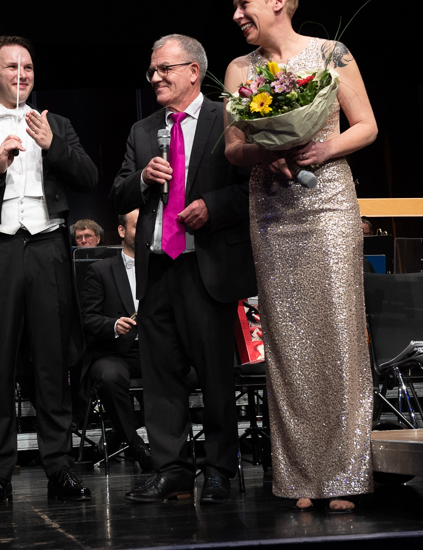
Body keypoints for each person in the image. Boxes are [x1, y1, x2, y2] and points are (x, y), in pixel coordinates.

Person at [223, 0, 378, 513]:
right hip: (272, 208)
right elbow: (233, 148)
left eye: (244, 3)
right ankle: (299, 477)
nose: (237, 14)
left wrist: (322, 148)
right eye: (235, 6)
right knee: (286, 340)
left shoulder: (331, 54)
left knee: (338, 331)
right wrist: (267, 150)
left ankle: (344, 473)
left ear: (277, 1)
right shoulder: (239, 69)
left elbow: (367, 125)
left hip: (328, 201)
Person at [111, 34, 256, 504]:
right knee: (160, 378)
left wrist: (213, 206)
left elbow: (252, 186)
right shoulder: (142, 130)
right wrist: (141, 178)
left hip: (205, 267)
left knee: (215, 378)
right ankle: (171, 469)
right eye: (152, 70)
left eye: (165, 69)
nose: (155, 77)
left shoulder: (226, 117)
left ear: (194, 71)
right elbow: (118, 192)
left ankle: (218, 470)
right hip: (157, 268)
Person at [0, 35, 98, 506]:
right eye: (11, 66)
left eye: (28, 67)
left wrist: (53, 145)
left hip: (46, 245)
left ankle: (59, 466)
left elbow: (88, 177)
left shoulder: (57, 123)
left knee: (52, 362)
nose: (21, 74)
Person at [79, 209, 151, 471]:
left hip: (152, 349)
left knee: (187, 372)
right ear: (121, 231)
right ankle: (137, 446)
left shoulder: (161, 267)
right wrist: (113, 325)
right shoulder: (100, 270)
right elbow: (88, 318)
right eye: (136, 226)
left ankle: (127, 432)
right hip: (114, 352)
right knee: (109, 377)